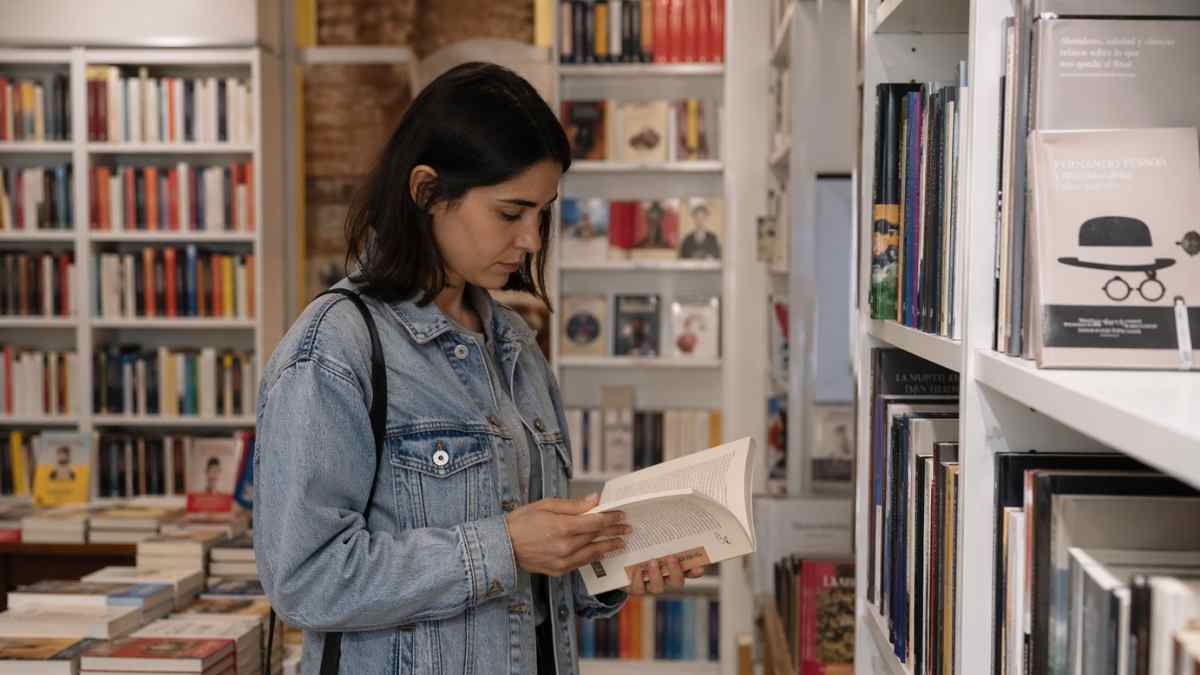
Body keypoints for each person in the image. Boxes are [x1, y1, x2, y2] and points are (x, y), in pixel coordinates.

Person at [254, 63, 703, 675]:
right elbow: (304, 581)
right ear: (427, 192)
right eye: (510, 212)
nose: (533, 241)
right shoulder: (332, 350)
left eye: (542, 213)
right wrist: (505, 544)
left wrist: (612, 567)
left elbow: (532, 592)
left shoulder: (515, 342)